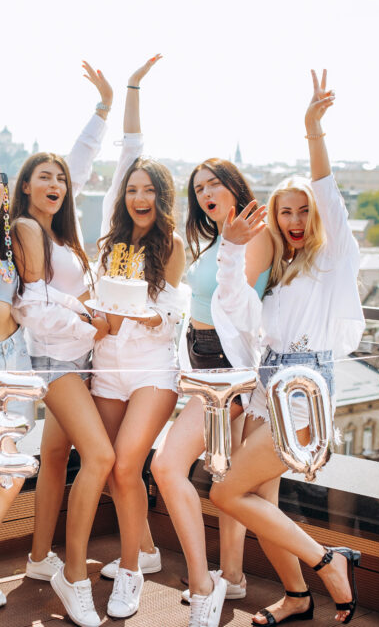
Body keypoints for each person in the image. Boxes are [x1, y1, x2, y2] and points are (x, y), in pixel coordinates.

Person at [210, 70, 365, 624]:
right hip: (265, 386)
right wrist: (231, 250)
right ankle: (297, 596)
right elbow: (233, 305)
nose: (295, 219)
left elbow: (327, 189)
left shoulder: (331, 261)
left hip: (303, 392)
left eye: (303, 210)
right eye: (285, 211)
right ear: (274, 219)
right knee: (259, 503)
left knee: (226, 494)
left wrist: (312, 130)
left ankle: (329, 561)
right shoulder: (279, 272)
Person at [8, 62, 115, 627]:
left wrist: (102, 110)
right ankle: (74, 577)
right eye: (43, 177)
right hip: (57, 360)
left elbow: (81, 164)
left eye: (61, 180)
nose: (56, 184)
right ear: (25, 185)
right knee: (100, 457)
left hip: (74, 357)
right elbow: (32, 308)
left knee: (53, 458)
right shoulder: (28, 229)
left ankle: (37, 558)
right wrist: (90, 326)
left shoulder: (57, 232)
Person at [149, 156, 273, 626]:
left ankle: (204, 584)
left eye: (214, 183)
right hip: (203, 361)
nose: (205, 193)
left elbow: (235, 301)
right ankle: (232, 576)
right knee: (227, 476)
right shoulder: (223, 236)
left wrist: (233, 245)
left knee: (166, 465)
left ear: (235, 186)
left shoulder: (253, 233)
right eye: (198, 188)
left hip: (227, 368)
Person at [89, 54, 187, 620]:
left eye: (148, 189)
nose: (138, 196)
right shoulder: (111, 242)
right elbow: (105, 317)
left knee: (129, 467)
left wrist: (131, 88)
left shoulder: (170, 245)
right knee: (107, 467)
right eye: (131, 189)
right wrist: (95, 318)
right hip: (107, 364)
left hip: (152, 368)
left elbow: (169, 313)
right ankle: (145, 548)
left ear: (161, 196)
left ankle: (131, 572)